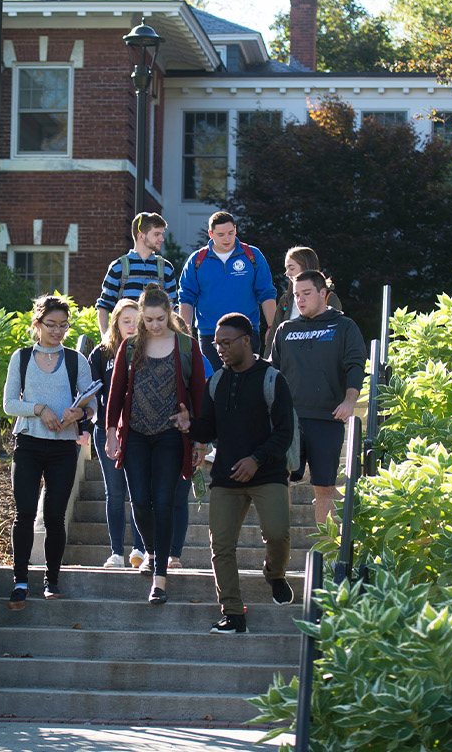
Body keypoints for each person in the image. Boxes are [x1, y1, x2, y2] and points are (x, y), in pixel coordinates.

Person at [185, 312, 297, 635]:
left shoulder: (272, 378)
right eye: (217, 343)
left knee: (277, 534)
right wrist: (189, 425)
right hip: (226, 476)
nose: (220, 348)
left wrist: (256, 460)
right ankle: (233, 613)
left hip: (267, 472)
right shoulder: (216, 381)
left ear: (247, 341)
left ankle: (274, 574)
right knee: (221, 546)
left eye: (227, 342)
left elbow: (284, 432)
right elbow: (209, 427)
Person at [105, 284, 207, 604]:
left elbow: (200, 395)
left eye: (160, 318)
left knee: (163, 501)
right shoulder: (131, 346)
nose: (154, 325)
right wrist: (110, 431)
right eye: (147, 320)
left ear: (170, 314)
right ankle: (150, 551)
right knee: (140, 502)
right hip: (135, 433)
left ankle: (159, 577)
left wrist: (200, 437)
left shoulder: (187, 346)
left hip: (170, 434)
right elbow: (117, 390)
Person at [1, 295, 94, 610]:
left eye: (63, 326)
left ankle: (51, 580)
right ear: (37, 324)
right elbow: (9, 404)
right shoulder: (22, 358)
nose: (57, 331)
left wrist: (75, 414)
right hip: (28, 444)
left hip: (63, 448)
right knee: (25, 513)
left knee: (55, 516)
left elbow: (91, 404)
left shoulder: (75, 360)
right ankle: (20, 581)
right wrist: (40, 409)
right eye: (51, 325)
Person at [270, 271, 366, 524]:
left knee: (324, 488)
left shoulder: (344, 326)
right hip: (289, 420)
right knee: (279, 482)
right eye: (296, 295)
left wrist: (349, 401)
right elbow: (273, 371)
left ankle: (328, 553)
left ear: (323, 293)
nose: (299, 300)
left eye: (306, 293)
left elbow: (356, 366)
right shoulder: (285, 329)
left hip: (326, 418)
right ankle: (279, 548)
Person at [178, 211, 278, 371]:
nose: (227, 238)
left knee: (247, 386)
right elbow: (186, 298)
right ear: (210, 234)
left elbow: (266, 293)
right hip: (210, 334)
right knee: (213, 386)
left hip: (246, 332)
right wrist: (185, 334)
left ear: (236, 230)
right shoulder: (197, 260)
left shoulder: (253, 256)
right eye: (221, 234)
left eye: (230, 233)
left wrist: (273, 327)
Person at [89, 298, 142, 568]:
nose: (132, 326)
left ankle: (141, 549)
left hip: (140, 431)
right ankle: (116, 553)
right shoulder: (101, 353)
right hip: (106, 431)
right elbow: (90, 393)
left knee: (140, 491)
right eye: (126, 321)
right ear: (116, 324)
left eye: (136, 320)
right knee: (115, 492)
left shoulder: (147, 349)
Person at [96, 212, 179, 335]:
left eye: (161, 234)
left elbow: (173, 308)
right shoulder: (118, 267)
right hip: (126, 341)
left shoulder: (166, 268)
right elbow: (104, 305)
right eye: (157, 234)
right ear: (141, 236)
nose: (161, 239)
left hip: (156, 340)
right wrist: (105, 338)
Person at [265, 246, 344, 355]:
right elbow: (273, 337)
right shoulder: (285, 300)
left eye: (291, 268)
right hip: (288, 363)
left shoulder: (329, 298)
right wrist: (268, 367)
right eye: (286, 268)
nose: (287, 273)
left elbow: (336, 333)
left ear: (306, 267)